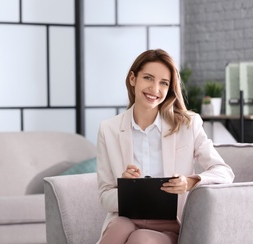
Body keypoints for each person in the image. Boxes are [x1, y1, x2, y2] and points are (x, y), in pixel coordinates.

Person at [96, 49, 234, 244]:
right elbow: (104, 196)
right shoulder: (108, 130)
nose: (155, 89)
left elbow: (224, 172)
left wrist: (189, 182)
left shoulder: (188, 125)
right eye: (148, 78)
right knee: (120, 227)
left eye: (164, 83)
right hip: (125, 219)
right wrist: (126, 190)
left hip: (170, 224)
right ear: (133, 79)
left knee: (140, 238)